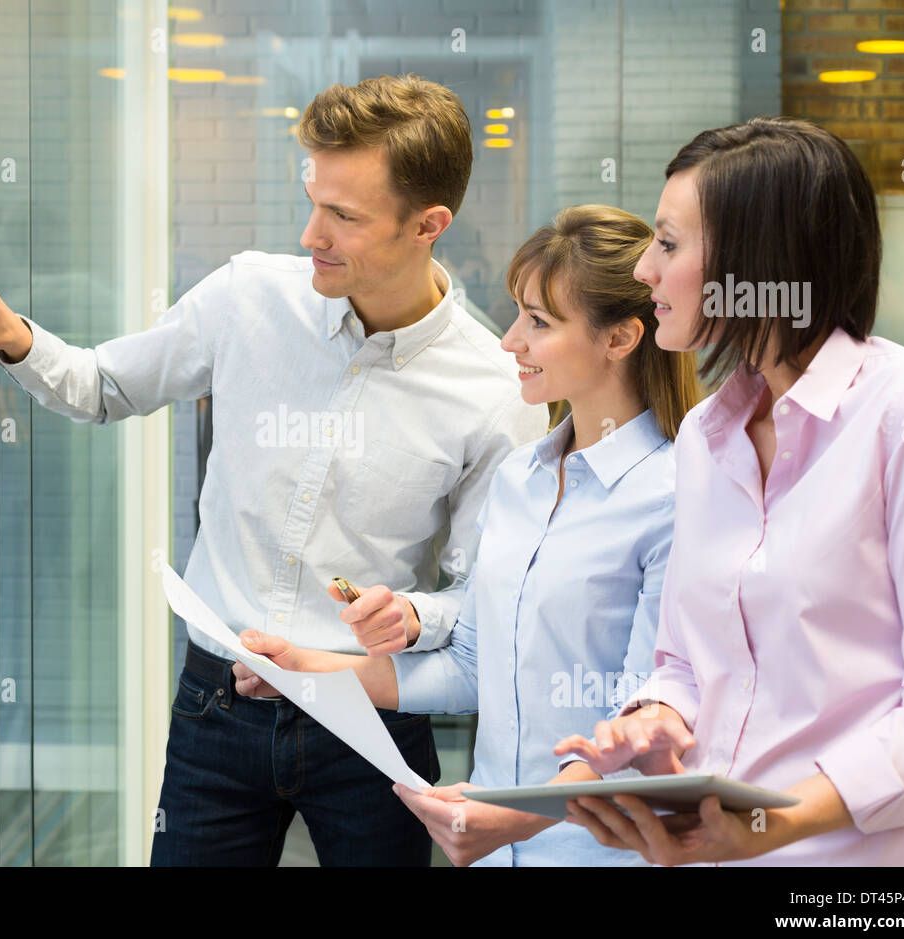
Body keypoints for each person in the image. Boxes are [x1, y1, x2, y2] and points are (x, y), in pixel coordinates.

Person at [0, 74, 548, 866]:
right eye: (312, 197)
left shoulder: (494, 390)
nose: (310, 233)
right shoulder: (247, 297)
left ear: (429, 224)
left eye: (344, 216)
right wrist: (14, 334)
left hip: (368, 723)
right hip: (216, 710)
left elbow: (477, 603)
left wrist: (416, 618)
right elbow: (105, 387)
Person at [234, 205, 701, 866]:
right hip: (489, 848)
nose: (510, 341)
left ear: (620, 338)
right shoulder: (521, 478)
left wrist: (506, 817)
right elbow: (471, 668)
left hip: (601, 853)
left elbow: (645, 730)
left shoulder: (676, 498)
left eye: (538, 322)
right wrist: (303, 671)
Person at [555, 117, 904, 866]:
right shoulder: (709, 435)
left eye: (670, 245)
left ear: (755, 263)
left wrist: (776, 824)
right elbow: (684, 661)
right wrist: (652, 720)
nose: (645, 270)